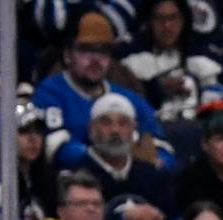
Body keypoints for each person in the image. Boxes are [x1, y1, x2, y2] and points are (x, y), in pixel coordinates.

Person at [35, 12, 168, 165]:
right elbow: (57, 148)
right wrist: (109, 160)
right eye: (86, 49)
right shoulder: (50, 92)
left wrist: (158, 163)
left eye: (103, 50)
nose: (96, 59)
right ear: (67, 55)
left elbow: (163, 148)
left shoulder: (127, 97)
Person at [121, 0, 223, 126]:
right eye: (159, 18)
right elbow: (123, 105)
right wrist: (155, 88)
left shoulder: (203, 58)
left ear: (184, 20)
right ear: (149, 21)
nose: (167, 25)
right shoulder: (131, 60)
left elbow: (222, 106)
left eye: (173, 18)